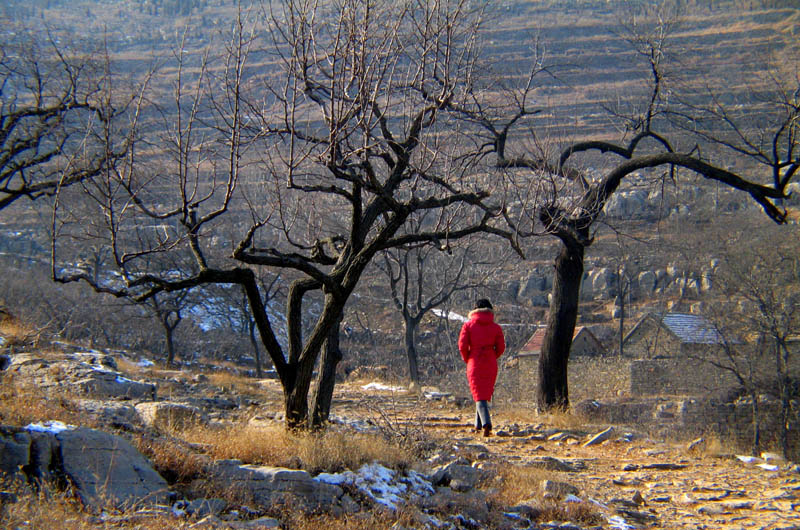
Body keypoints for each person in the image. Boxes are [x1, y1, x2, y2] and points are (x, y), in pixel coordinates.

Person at [458, 298, 505, 437]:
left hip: (475, 361)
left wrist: (468, 358)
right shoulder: (496, 327)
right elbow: (501, 347)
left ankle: (486, 424)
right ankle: (477, 426)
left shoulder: (468, 326)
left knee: (478, 395)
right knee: (482, 394)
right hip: (490, 361)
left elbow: (462, 346)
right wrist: (492, 356)